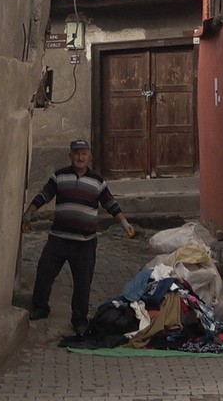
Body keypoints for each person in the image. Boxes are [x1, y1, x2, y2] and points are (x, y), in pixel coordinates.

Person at [22, 139, 134, 336]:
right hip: (58, 238)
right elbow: (43, 196)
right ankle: (40, 307)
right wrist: (28, 214)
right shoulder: (59, 177)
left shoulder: (98, 182)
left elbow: (111, 204)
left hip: (85, 242)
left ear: (89, 156)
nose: (80, 157)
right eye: (76, 153)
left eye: (84, 153)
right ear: (70, 155)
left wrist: (125, 224)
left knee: (83, 282)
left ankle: (79, 319)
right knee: (44, 272)